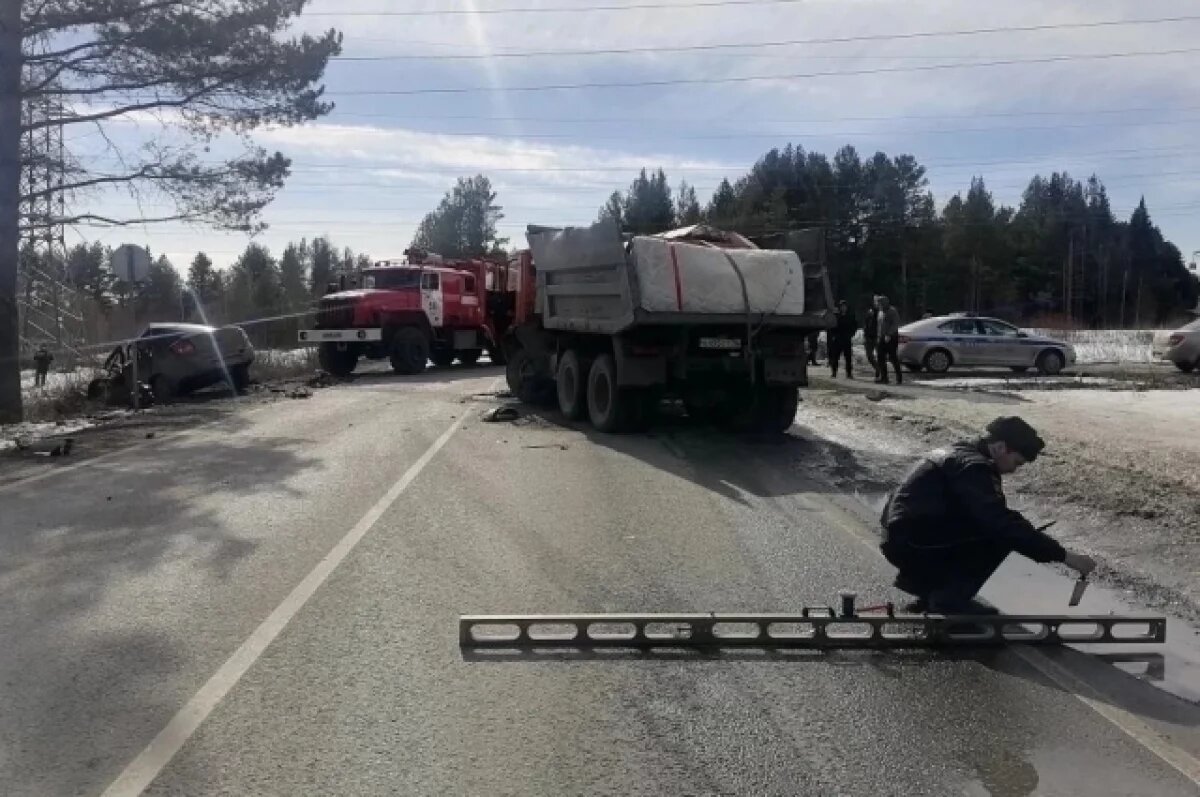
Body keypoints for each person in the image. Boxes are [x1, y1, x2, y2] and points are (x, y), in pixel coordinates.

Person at [880, 417, 1096, 614]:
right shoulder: (974, 467)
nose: (1013, 470)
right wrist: (1065, 556)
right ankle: (949, 601)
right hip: (913, 543)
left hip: (901, 538)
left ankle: (928, 589)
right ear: (1001, 447)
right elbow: (1000, 523)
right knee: (1001, 534)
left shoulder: (958, 452)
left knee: (993, 526)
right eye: (1016, 463)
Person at [874, 295, 903, 385]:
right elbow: (879, 325)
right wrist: (879, 336)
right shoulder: (880, 312)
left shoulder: (892, 311)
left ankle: (899, 377)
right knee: (880, 357)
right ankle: (884, 377)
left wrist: (889, 334)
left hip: (891, 337)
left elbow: (895, 323)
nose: (879, 304)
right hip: (882, 337)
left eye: (880, 303)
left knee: (893, 357)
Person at [829, 299, 857, 378]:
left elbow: (854, 326)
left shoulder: (850, 316)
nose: (843, 308)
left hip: (846, 338)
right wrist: (834, 335)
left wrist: (851, 334)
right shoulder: (837, 316)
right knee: (835, 357)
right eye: (842, 306)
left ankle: (849, 373)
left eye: (844, 306)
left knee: (848, 357)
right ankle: (834, 372)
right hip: (838, 338)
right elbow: (832, 326)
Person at [862, 296, 879, 379]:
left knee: (880, 355)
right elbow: (866, 324)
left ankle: (881, 373)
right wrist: (865, 334)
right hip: (869, 336)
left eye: (877, 301)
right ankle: (877, 368)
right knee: (869, 356)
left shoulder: (881, 312)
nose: (875, 302)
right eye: (874, 301)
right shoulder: (869, 312)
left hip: (877, 336)